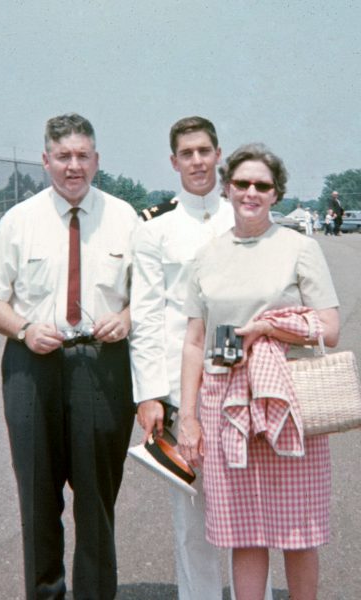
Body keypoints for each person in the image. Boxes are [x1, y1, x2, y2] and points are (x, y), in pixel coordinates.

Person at [0, 113, 138, 600]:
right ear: (45, 161)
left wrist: (125, 319)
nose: (73, 167)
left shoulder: (125, 218)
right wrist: (23, 328)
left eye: (83, 156)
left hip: (101, 366)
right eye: (63, 156)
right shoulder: (18, 221)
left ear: (97, 160)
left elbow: (149, 296)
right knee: (38, 500)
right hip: (33, 366)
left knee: (96, 499)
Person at [178, 143, 339, 600]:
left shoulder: (299, 248)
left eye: (262, 185)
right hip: (224, 399)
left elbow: (329, 327)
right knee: (244, 530)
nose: (251, 192)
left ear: (276, 194)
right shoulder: (206, 257)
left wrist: (267, 328)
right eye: (242, 183)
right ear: (227, 189)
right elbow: (193, 342)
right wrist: (187, 417)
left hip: (286, 398)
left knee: (298, 528)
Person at [130, 117, 273, 600]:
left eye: (205, 151)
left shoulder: (249, 217)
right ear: (174, 162)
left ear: (219, 155)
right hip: (183, 388)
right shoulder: (156, 230)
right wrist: (150, 394)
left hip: (248, 385)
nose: (197, 161)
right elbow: (147, 317)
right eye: (186, 153)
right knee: (192, 520)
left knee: (254, 516)